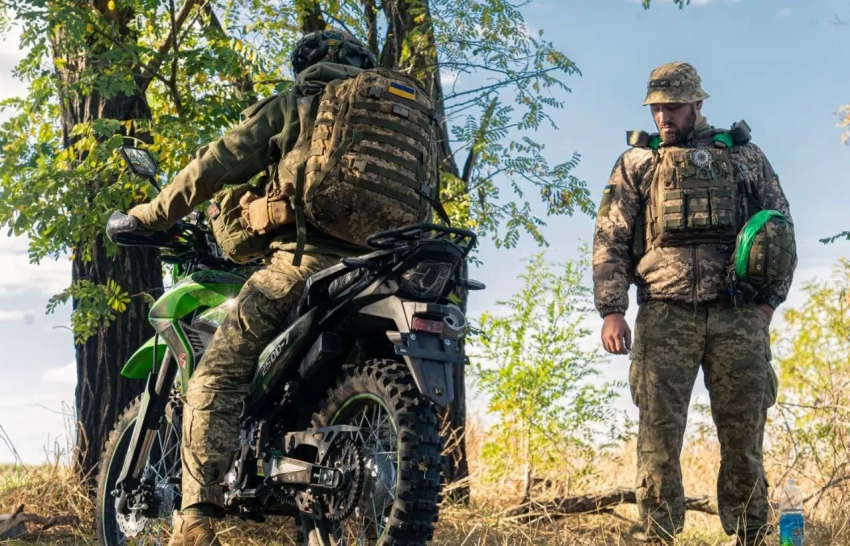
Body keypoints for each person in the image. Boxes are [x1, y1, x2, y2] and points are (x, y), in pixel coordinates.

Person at [124, 29, 377, 546]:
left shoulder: (296, 105)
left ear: (306, 65)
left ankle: (195, 521)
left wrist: (150, 214)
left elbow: (216, 163)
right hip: (380, 274)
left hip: (302, 268)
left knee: (218, 372)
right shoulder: (390, 122)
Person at [591, 61, 796, 545]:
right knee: (658, 440)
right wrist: (612, 310)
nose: (663, 116)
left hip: (737, 314)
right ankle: (659, 533)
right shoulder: (637, 163)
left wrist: (766, 306)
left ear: (697, 104)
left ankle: (750, 532)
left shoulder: (745, 156)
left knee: (744, 438)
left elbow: (781, 228)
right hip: (665, 313)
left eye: (673, 107)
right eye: (657, 107)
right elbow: (609, 239)